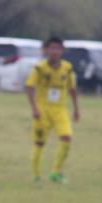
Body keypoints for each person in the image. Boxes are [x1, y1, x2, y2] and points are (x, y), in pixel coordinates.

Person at [25, 36, 81, 184]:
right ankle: (36, 175)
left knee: (67, 138)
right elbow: (29, 87)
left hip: (60, 110)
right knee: (39, 143)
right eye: (51, 48)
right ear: (45, 50)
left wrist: (76, 109)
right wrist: (34, 108)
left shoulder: (67, 68)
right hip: (42, 110)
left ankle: (55, 172)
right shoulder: (39, 68)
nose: (54, 51)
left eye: (57, 48)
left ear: (62, 50)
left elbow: (72, 88)